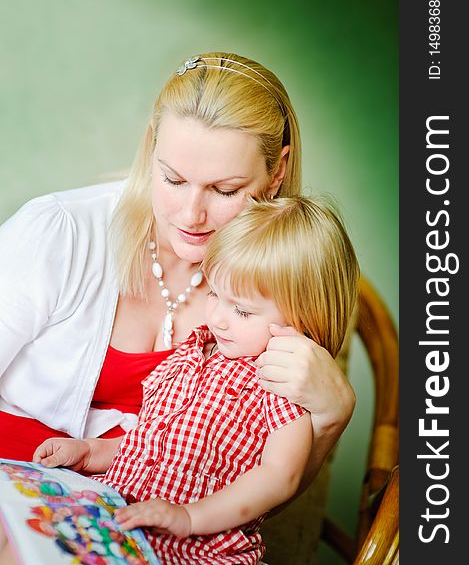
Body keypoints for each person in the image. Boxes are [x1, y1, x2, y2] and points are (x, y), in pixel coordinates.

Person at [0, 51, 355, 488]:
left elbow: (255, 498)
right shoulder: (61, 231)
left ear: (277, 172)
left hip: (149, 530)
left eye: (225, 190)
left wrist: (330, 418)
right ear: (152, 148)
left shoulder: (278, 291)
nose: (191, 214)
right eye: (172, 179)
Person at [30, 196, 360, 565]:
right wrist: (92, 452)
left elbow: (279, 476)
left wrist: (190, 517)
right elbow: (150, 443)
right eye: (215, 293)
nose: (218, 317)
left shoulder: (278, 383)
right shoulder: (194, 352)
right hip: (124, 526)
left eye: (242, 310)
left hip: (198, 549)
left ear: (304, 321)